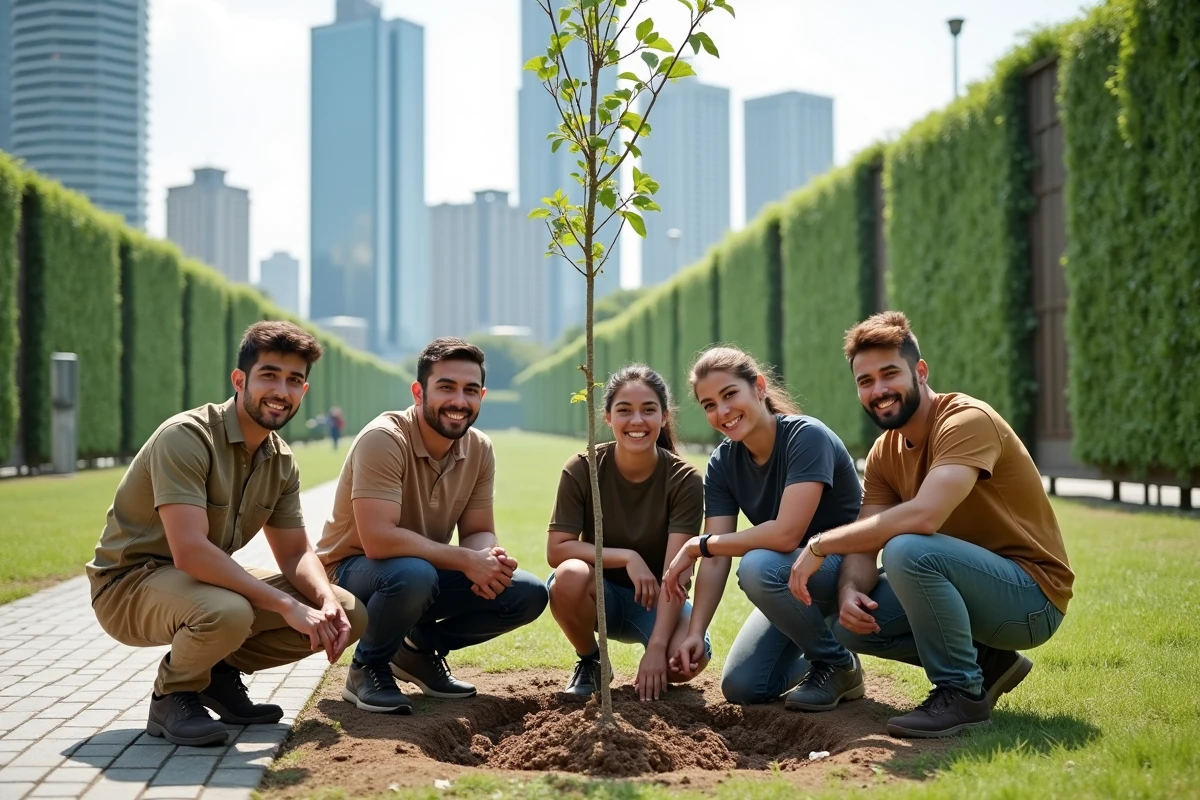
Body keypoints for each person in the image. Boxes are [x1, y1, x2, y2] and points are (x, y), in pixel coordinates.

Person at [788, 311, 1074, 738]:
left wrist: (819, 546)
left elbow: (924, 515)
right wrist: (849, 592)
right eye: (865, 381)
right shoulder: (885, 450)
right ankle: (989, 662)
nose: (879, 390)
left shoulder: (966, 421)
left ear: (920, 371)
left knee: (907, 548)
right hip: (972, 586)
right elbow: (866, 544)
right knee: (851, 627)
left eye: (889, 374)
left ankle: (960, 693)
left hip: (1031, 598)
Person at [86, 321, 366, 747]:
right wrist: (286, 605)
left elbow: (295, 552)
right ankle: (172, 696)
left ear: (304, 392)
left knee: (348, 609)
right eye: (269, 375)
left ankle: (214, 675)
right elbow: (192, 553)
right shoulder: (188, 437)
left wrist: (325, 600)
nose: (281, 390)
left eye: (294, 381)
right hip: (128, 586)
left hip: (199, 584)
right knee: (228, 611)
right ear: (240, 380)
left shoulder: (280, 460)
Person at [316, 337, 548, 714]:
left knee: (526, 592)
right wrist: (465, 560)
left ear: (482, 396)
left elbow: (477, 530)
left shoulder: (479, 448)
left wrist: (487, 559)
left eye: (470, 390)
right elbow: (377, 541)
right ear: (419, 391)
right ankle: (367, 667)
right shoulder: (384, 438)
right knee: (413, 574)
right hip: (350, 572)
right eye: (446, 387)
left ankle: (417, 651)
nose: (459, 401)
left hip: (419, 572)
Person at [662, 345, 866, 711]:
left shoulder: (806, 437)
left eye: (729, 395)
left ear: (758, 387)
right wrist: (695, 632)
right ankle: (829, 644)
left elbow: (786, 534)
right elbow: (716, 558)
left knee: (757, 565)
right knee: (744, 686)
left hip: (843, 570)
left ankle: (837, 663)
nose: (722, 412)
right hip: (789, 583)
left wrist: (698, 544)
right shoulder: (723, 462)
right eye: (709, 405)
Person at [546, 365, 711, 701]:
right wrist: (626, 557)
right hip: (598, 592)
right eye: (624, 410)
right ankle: (591, 661)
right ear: (607, 417)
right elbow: (557, 550)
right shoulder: (582, 468)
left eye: (648, 410)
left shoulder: (685, 481)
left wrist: (659, 649)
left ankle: (657, 647)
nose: (637, 421)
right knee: (568, 576)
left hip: (658, 599)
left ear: (664, 417)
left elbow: (675, 574)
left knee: (685, 663)